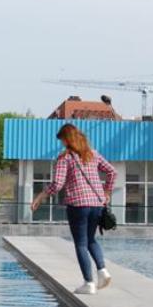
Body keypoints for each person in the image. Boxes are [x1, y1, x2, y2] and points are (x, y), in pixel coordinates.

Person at [31, 124, 117, 295]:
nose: (62, 143)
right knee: (91, 239)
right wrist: (107, 192)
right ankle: (102, 271)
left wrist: (40, 196)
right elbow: (112, 172)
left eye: (62, 140)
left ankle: (89, 283)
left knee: (81, 244)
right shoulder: (93, 154)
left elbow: (58, 184)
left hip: (78, 205)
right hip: (97, 204)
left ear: (67, 139)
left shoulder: (65, 158)